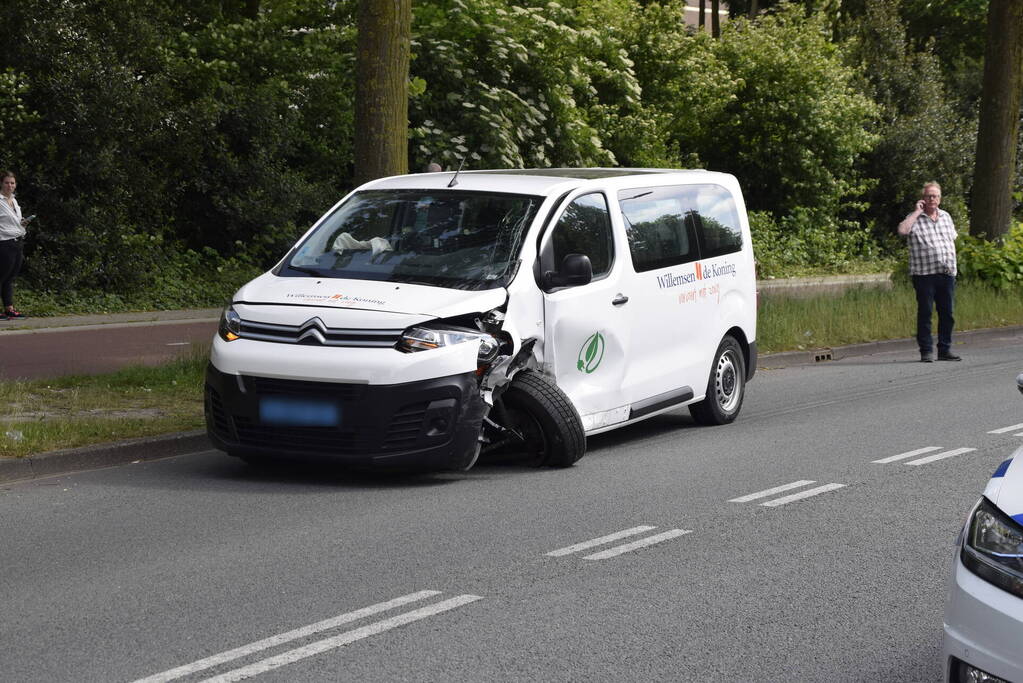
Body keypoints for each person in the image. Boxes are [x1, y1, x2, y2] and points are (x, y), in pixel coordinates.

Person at [897, 181, 959, 362]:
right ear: (922, 198)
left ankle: (944, 350)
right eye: (928, 195)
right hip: (924, 274)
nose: (932, 198)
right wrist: (917, 211)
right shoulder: (914, 218)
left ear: (939, 199)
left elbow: (952, 239)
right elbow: (902, 231)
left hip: (946, 273)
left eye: (935, 195)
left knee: (947, 314)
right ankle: (926, 351)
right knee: (926, 313)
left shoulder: (946, 216)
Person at [0, 170, 28, 320]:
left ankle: (9, 309)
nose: (9, 185)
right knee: (2, 276)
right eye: (6, 182)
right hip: (4, 242)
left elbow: (15, 221)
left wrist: (22, 222)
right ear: (1, 183)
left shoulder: (14, 201)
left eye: (12, 183)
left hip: (17, 241)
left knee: (10, 277)